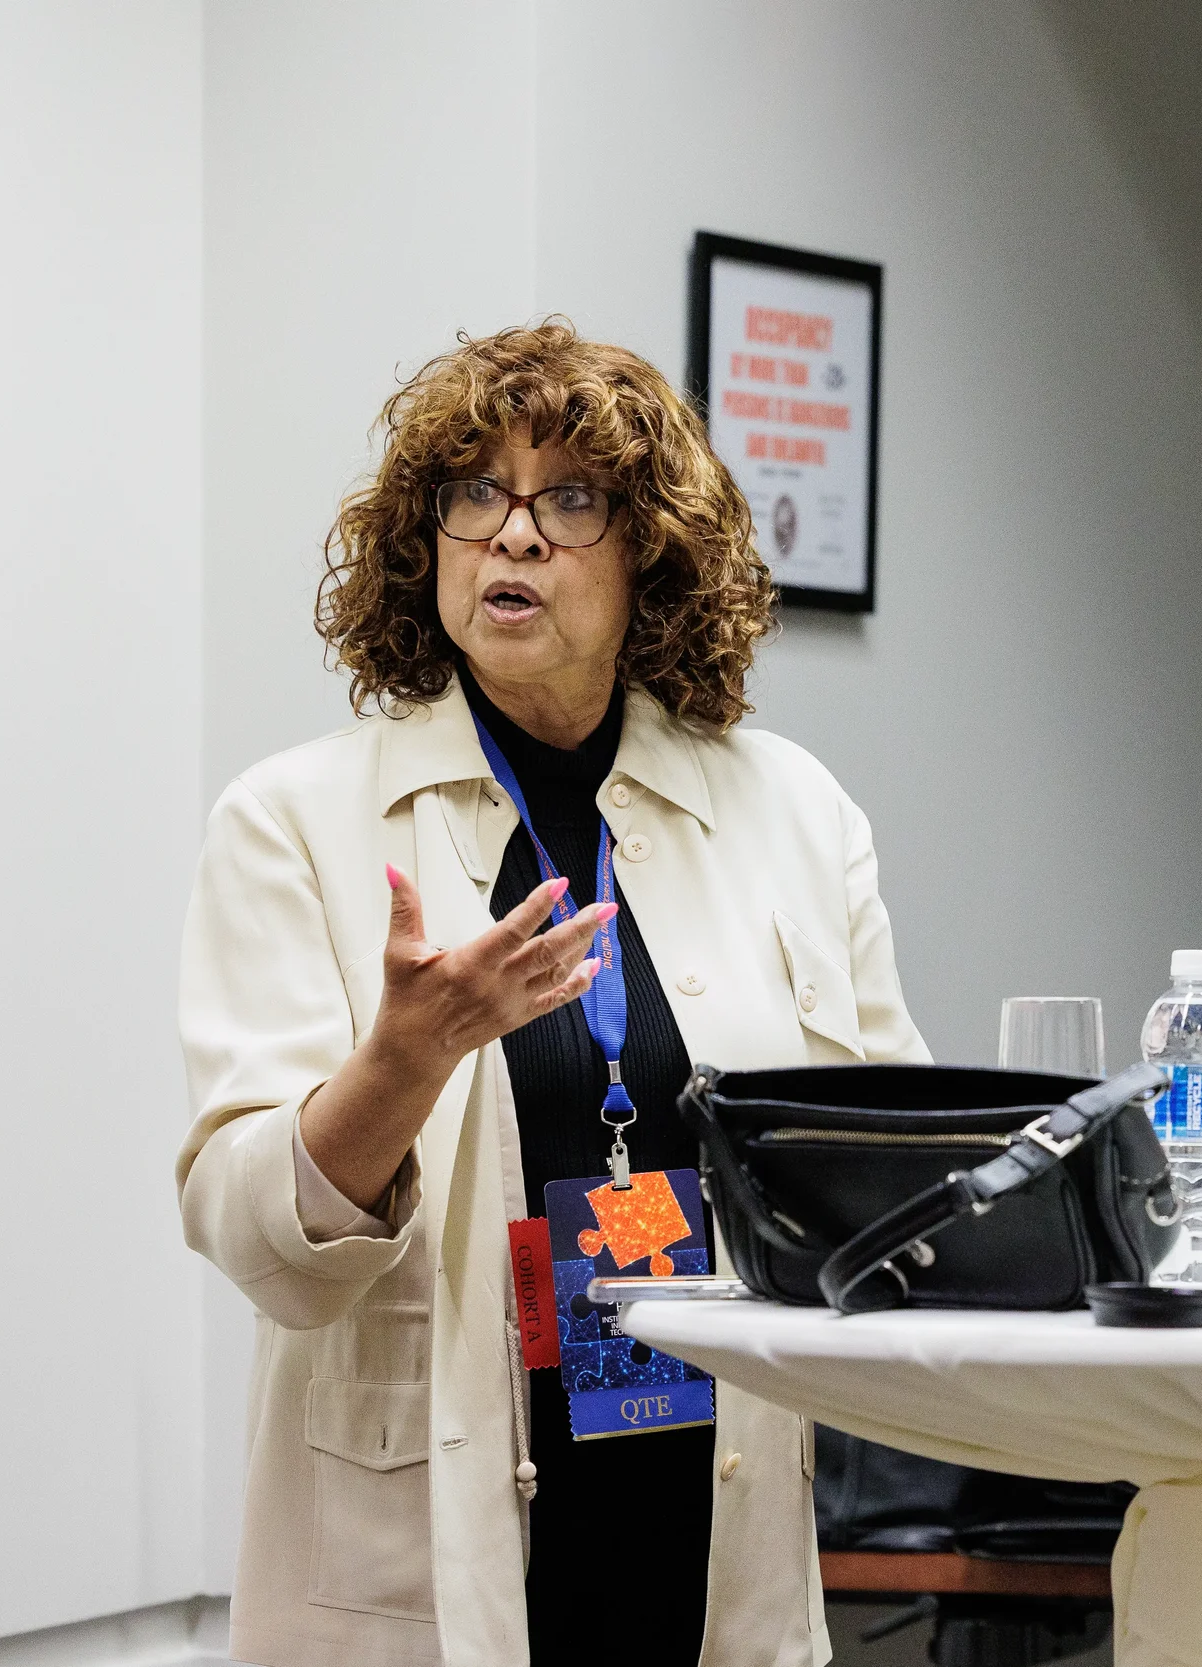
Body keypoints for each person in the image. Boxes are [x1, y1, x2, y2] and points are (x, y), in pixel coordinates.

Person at [176, 321, 926, 1667]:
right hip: (423, 1563)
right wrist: (404, 1060)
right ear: (428, 540)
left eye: (570, 498)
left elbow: (895, 1169)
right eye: (476, 493)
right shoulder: (294, 819)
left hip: (714, 1521)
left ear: (654, 551)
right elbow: (259, 1250)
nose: (512, 535)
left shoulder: (795, 812)